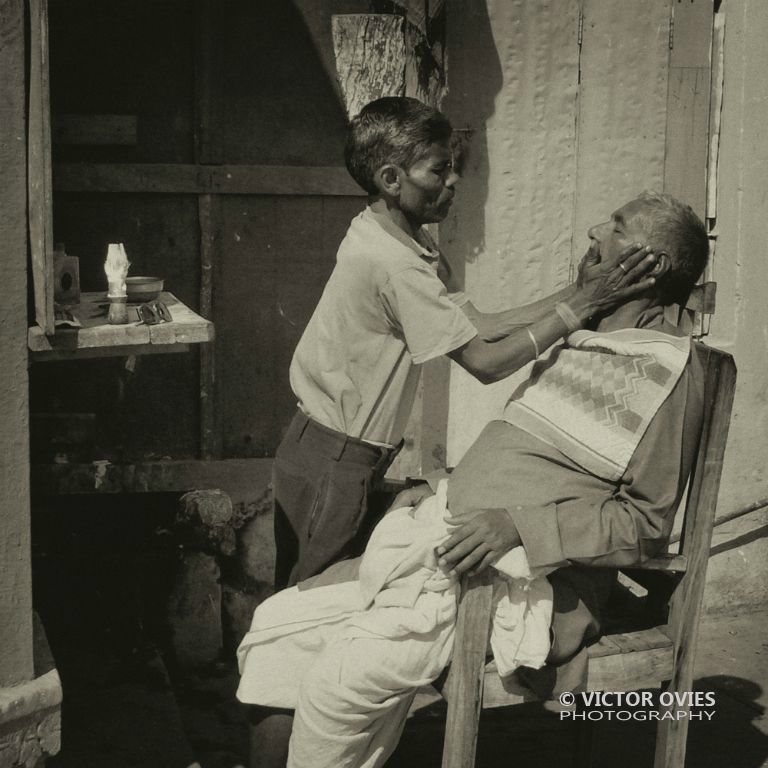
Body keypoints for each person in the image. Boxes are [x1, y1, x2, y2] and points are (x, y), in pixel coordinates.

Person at [238, 191, 709, 768]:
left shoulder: (665, 372)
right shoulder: (588, 341)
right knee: (274, 628)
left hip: (503, 580)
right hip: (438, 540)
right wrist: (446, 486)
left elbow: (646, 520)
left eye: (616, 226)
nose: (593, 230)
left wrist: (518, 526)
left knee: (341, 679)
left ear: (651, 266)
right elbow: (528, 440)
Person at [273, 96, 657, 591]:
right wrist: (579, 310)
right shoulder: (395, 265)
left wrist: (579, 292)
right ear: (392, 179)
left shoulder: (399, 236)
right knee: (307, 603)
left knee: (324, 597)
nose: (454, 181)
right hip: (334, 460)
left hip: (339, 454)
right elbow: (485, 361)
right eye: (438, 171)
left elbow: (480, 324)